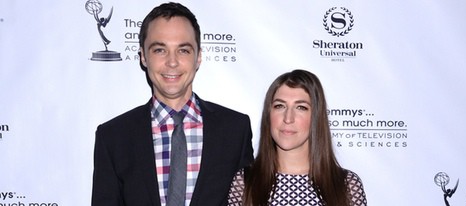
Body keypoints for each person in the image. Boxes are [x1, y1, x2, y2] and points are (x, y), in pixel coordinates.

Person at [91, 2, 254, 206]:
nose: (172, 62)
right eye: (160, 50)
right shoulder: (113, 137)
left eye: (183, 50)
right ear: (143, 56)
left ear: (199, 57)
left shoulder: (235, 130)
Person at [228, 69, 367, 206]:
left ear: (316, 117)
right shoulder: (245, 183)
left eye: (301, 107)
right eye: (279, 106)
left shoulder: (346, 185)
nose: (288, 118)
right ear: (269, 114)